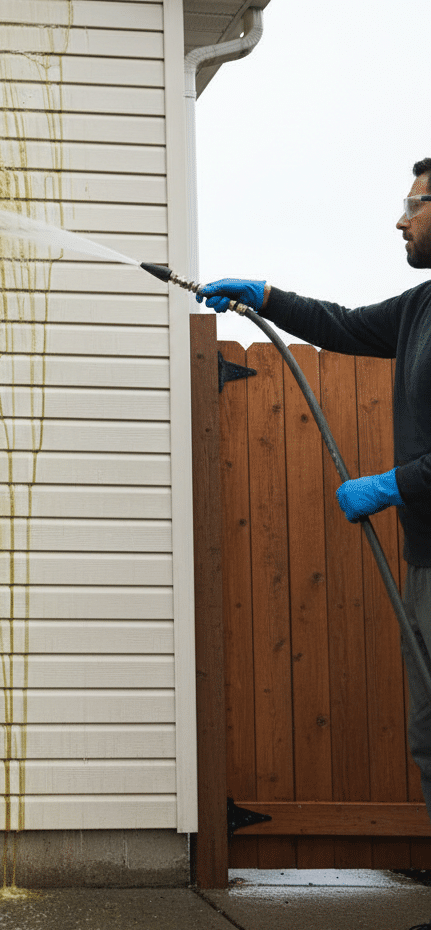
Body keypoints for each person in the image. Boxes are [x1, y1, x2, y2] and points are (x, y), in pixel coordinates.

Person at [198, 158, 431, 917]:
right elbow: (343, 325)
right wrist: (267, 297)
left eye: (414, 204)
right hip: (429, 559)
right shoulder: (422, 307)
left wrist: (396, 483)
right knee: (430, 732)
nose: (401, 219)